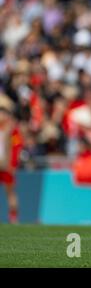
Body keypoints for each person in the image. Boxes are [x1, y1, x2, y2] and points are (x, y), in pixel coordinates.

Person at [0, 95, 23, 224]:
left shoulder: (11, 131)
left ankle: (13, 218)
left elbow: (15, 147)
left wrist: (12, 164)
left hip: (6, 164)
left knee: (10, 192)